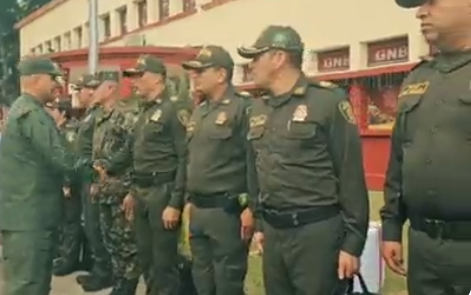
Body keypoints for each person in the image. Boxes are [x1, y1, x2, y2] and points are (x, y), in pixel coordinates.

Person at [237, 25, 370, 295]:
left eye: (256, 57)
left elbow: (350, 175)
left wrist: (352, 244)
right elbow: (257, 170)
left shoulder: (326, 102)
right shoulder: (258, 108)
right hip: (275, 234)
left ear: (279, 58)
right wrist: (261, 224)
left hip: (316, 234)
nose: (251, 66)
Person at [381, 0, 471, 294]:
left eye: (432, 2)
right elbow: (399, 158)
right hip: (424, 249)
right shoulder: (418, 77)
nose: (421, 12)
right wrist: (392, 229)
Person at [95, 55, 188, 295]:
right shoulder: (145, 112)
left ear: (158, 79)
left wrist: (176, 203)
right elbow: (132, 153)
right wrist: (111, 170)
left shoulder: (173, 109)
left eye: (140, 76)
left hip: (163, 192)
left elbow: (184, 158)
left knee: (163, 262)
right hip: (143, 193)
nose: (134, 81)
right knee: (146, 258)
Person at [0, 56, 89, 295]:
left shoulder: (23, 109)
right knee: (28, 285)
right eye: (53, 78)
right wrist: (95, 171)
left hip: (26, 216)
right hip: (30, 219)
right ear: (36, 79)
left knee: (32, 283)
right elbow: (61, 158)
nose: (57, 85)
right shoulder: (32, 114)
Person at [181, 45, 254, 295]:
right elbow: (191, 159)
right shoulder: (200, 111)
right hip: (199, 210)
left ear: (221, 74)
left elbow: (255, 160)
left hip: (227, 212)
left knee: (228, 283)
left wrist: (252, 207)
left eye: (201, 71)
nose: (195, 76)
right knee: (202, 280)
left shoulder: (243, 108)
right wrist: (188, 200)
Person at [90, 71, 141, 294]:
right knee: (110, 241)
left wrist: (132, 190)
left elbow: (134, 150)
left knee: (126, 245)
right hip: (105, 190)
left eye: (96, 87)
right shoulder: (101, 116)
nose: (92, 92)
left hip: (122, 190)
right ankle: (118, 283)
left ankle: (127, 287)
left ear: (110, 88)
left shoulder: (126, 115)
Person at [72, 74, 113, 292]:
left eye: (82, 89)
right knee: (89, 224)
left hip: (94, 177)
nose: (80, 93)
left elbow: (100, 147)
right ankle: (97, 268)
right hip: (85, 177)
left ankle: (104, 272)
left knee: (95, 226)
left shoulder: (99, 115)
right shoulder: (89, 114)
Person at [43, 96, 91, 276]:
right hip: (58, 183)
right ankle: (64, 255)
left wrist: (67, 182)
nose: (49, 112)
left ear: (63, 112)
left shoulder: (69, 132)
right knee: (63, 222)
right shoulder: (56, 130)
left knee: (71, 222)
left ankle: (69, 260)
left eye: (53, 109)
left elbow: (71, 159)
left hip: (70, 185)